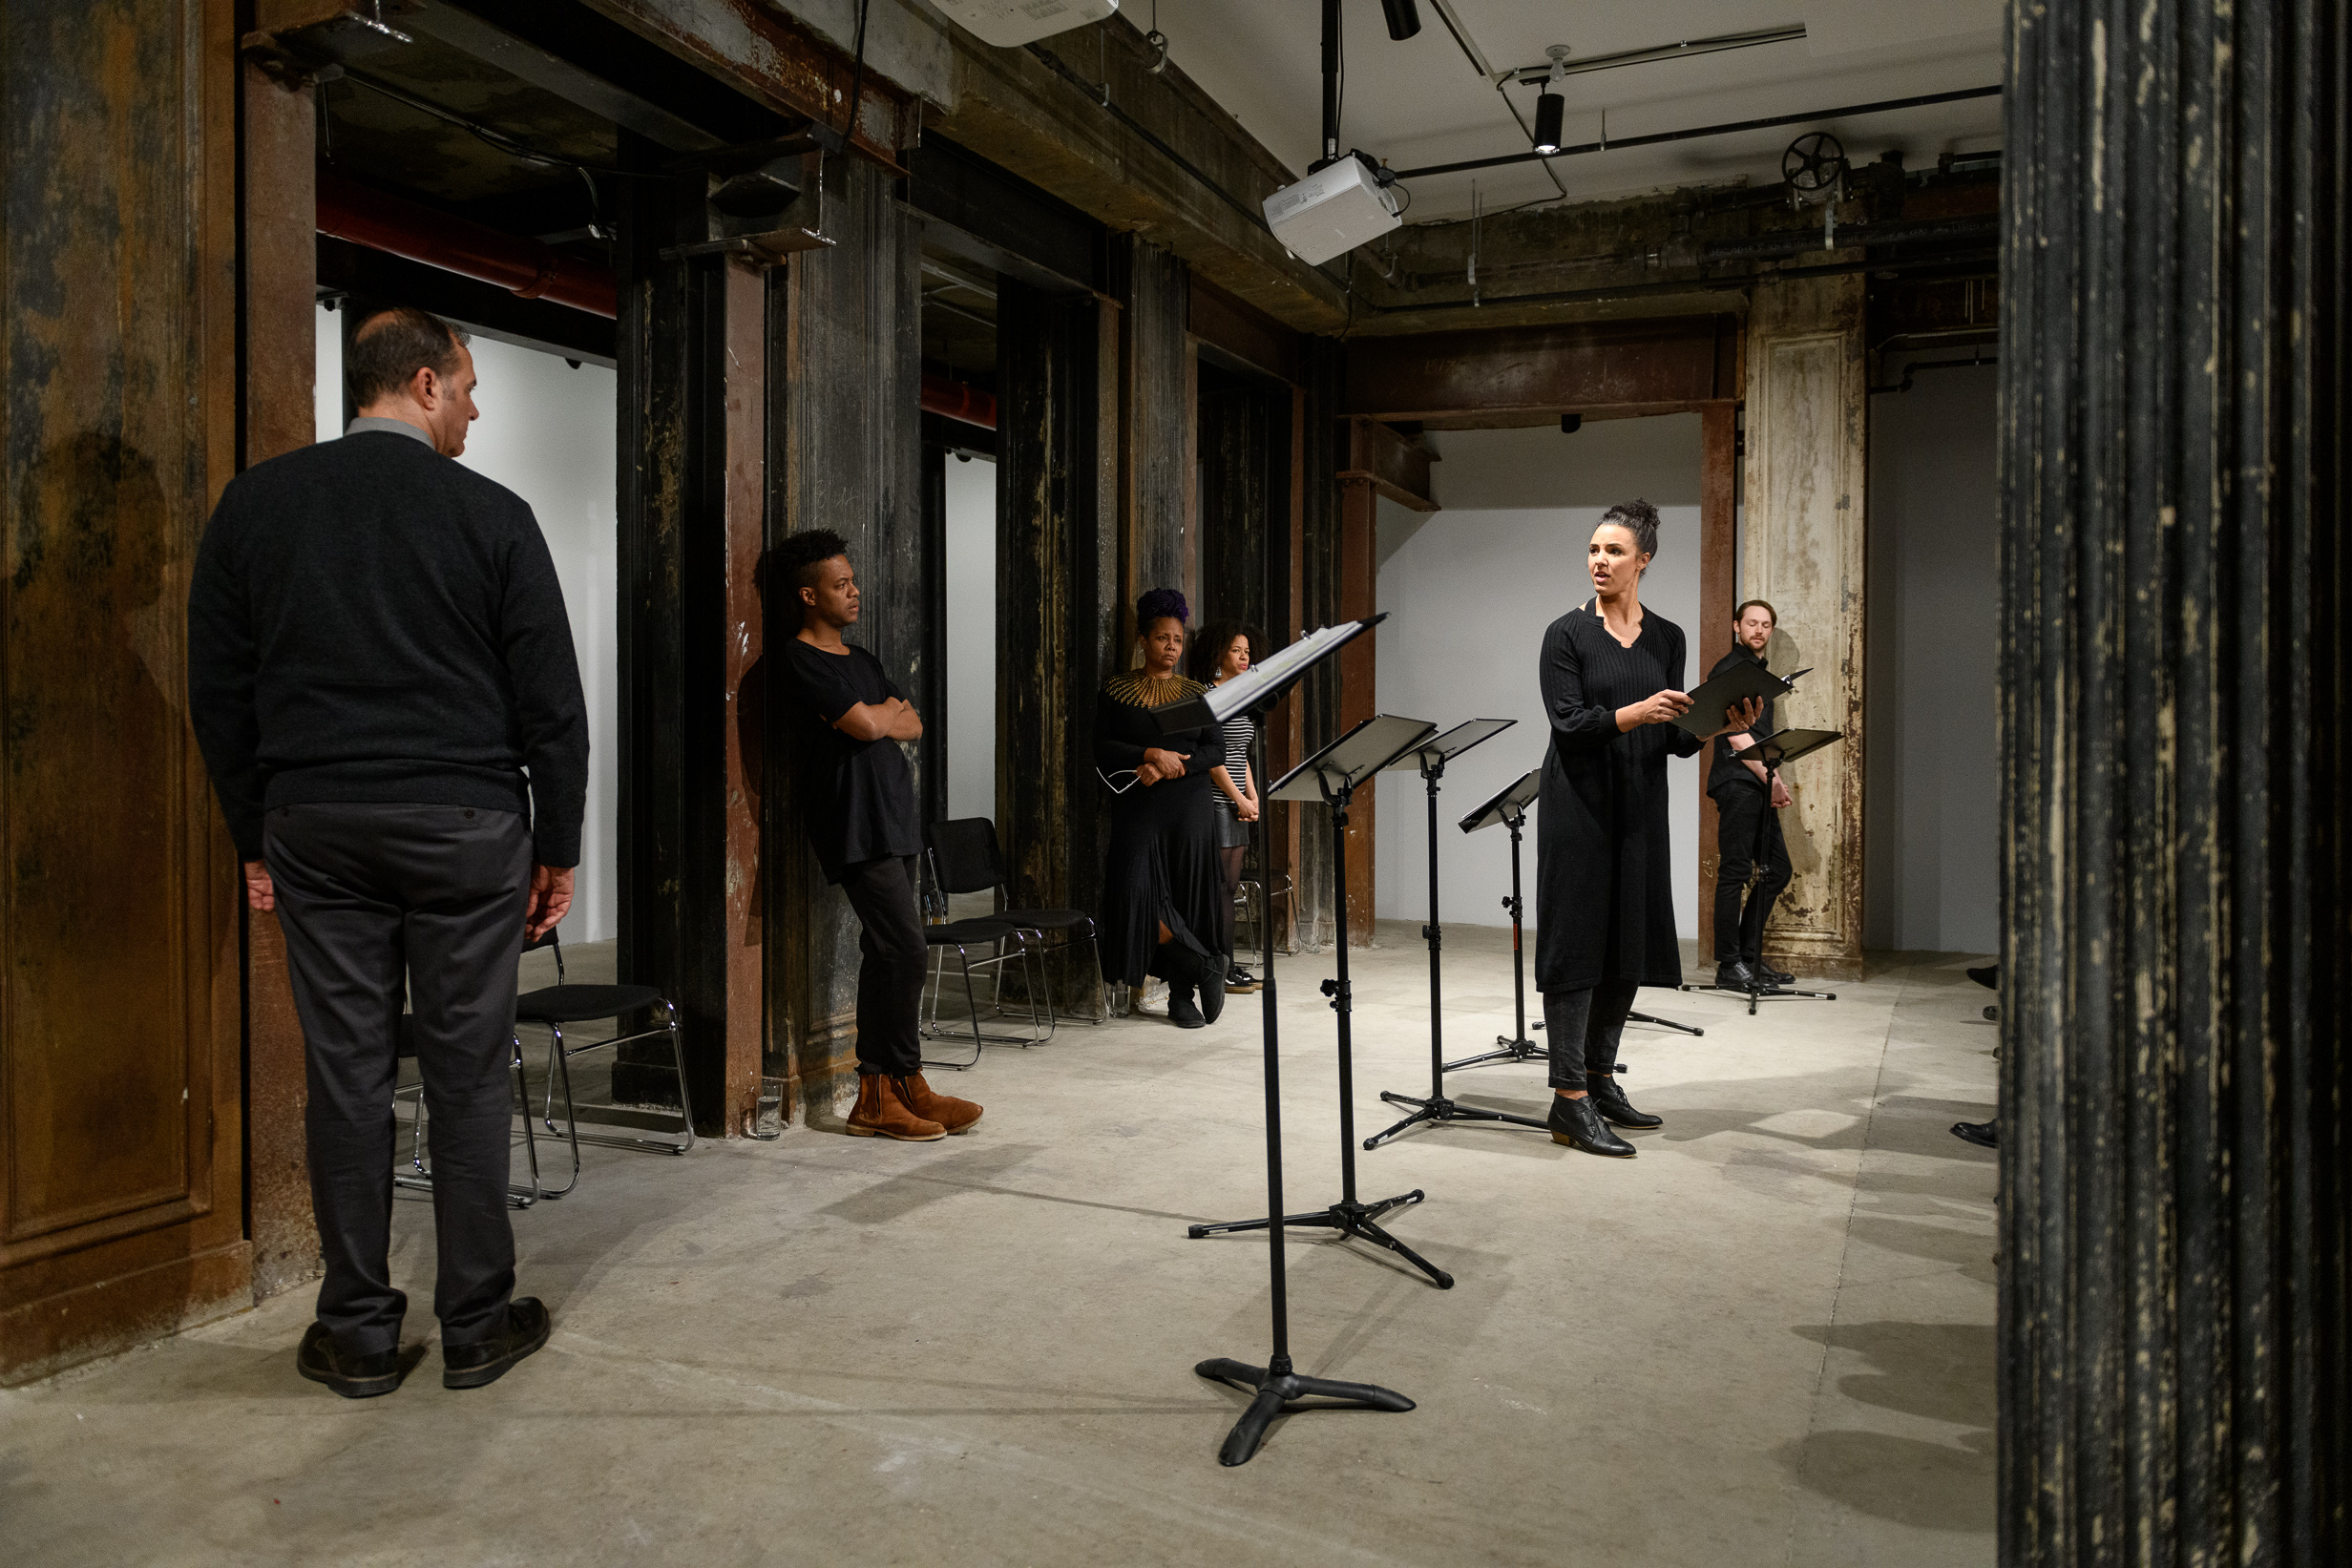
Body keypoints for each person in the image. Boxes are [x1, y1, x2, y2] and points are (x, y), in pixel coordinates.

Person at [188, 305, 583, 1397]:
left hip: (315, 825)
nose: (473, 408)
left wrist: (253, 832)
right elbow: (550, 698)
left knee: (347, 1076)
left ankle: (357, 1330)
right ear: (421, 381)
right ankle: (474, 1322)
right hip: (465, 827)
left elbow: (218, 694)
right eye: (465, 387)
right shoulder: (492, 514)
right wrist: (556, 844)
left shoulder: (257, 506)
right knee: (464, 1074)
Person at [1536, 500, 1759, 1159]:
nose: (1599, 561)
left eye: (1614, 551)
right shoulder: (1566, 634)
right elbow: (1571, 724)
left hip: (1639, 805)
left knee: (1627, 941)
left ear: (1644, 561)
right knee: (1577, 946)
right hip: (1579, 807)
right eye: (1594, 550)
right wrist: (1637, 711)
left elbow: (1675, 739)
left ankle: (1602, 1080)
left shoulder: (1667, 637)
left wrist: (1719, 721)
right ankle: (1568, 1097)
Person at [770, 530, 981, 1143]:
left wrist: (876, 721)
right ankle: (878, 1089)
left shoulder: (860, 660)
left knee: (887, 951)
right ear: (810, 595)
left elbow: (908, 721)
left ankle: (899, 1086)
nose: (855, 590)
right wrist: (875, 720)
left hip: (894, 815)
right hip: (851, 820)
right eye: (841, 585)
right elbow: (867, 723)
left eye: (852, 579)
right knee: (905, 948)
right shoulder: (797, 657)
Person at [1097, 589, 1229, 1027]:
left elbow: (1216, 751)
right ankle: (1203, 965)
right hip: (1138, 811)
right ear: (1142, 640)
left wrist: (1172, 766)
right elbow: (1101, 748)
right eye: (1162, 638)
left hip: (1189, 812)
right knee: (1135, 897)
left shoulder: (1196, 692)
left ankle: (1181, 998)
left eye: (1177, 639)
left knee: (1189, 897)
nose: (1171, 646)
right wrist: (1150, 753)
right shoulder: (1116, 689)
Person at [1707, 598, 1797, 992]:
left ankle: (1748, 958)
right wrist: (1769, 777)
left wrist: (1770, 777)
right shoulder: (1730, 669)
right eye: (1752, 623)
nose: (1759, 630)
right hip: (1739, 779)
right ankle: (1729, 965)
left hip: (1756, 780)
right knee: (1735, 872)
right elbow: (1733, 731)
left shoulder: (1757, 672)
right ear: (1736, 627)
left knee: (1777, 869)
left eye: (1766, 625)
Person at [1188, 620, 1265, 993]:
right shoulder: (1207, 695)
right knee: (1220, 886)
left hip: (1237, 800)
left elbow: (1241, 755)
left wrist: (1253, 797)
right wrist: (1237, 798)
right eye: (1237, 649)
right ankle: (1221, 967)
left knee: (1231, 886)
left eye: (1247, 651)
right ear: (1220, 653)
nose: (1244, 656)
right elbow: (1213, 758)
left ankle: (1228, 964)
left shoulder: (1243, 697)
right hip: (1216, 798)